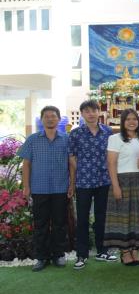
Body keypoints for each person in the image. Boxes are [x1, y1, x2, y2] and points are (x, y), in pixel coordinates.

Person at [18, 106, 71, 272]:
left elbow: (72, 163)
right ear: (42, 119)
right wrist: (26, 186)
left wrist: (72, 184)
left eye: (53, 116)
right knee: (40, 224)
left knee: (60, 224)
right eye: (46, 116)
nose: (50, 119)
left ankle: (58, 255)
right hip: (39, 188)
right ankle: (41, 257)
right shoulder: (32, 139)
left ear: (58, 119)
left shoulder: (66, 139)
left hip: (60, 188)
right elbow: (26, 165)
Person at [68, 100, 117, 270]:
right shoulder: (76, 134)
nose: (91, 114)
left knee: (102, 217)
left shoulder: (108, 132)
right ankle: (81, 254)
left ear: (99, 112)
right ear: (82, 114)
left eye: (94, 110)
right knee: (82, 218)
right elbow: (72, 157)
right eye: (87, 111)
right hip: (84, 182)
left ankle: (102, 251)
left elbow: (112, 156)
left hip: (104, 180)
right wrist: (79, 173)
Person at [104, 109, 139, 266]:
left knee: (138, 217)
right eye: (128, 119)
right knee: (123, 217)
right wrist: (115, 186)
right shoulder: (115, 138)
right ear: (123, 122)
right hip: (122, 181)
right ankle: (125, 252)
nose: (131, 122)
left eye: (134, 119)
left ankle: (135, 249)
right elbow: (111, 163)